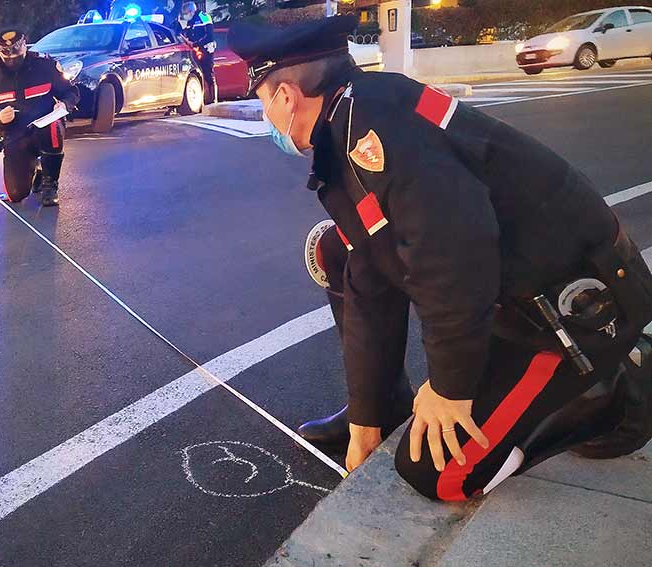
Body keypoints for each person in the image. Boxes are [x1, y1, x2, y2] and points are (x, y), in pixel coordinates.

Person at [228, 16, 652, 501]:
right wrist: (367, 417)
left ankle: (613, 399)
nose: (266, 119)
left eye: (263, 103)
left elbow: (455, 255)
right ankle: (390, 406)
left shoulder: (375, 135)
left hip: (571, 311)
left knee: (440, 474)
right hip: (511, 293)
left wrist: (450, 387)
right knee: (339, 252)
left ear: (286, 97)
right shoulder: (359, 111)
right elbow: (370, 271)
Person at [0, 27, 80, 207]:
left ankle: (50, 184)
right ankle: (36, 169)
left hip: (45, 127)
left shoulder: (45, 66)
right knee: (16, 194)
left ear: (25, 45)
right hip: (15, 135)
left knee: (52, 127)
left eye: (16, 50)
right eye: (6, 53)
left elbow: (72, 92)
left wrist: (64, 105)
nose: (12, 57)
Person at [176, 1, 217, 104]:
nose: (185, 16)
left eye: (186, 13)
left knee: (208, 73)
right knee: (199, 74)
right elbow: (188, 34)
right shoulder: (191, 22)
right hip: (195, 50)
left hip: (206, 49)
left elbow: (209, 35)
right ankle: (202, 98)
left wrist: (196, 44)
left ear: (191, 11)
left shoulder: (204, 16)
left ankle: (213, 98)